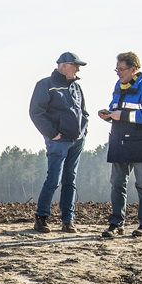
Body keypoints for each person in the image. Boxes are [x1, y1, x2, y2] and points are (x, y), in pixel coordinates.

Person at [98, 52, 142, 238]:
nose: (118, 73)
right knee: (117, 184)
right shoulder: (118, 86)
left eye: (121, 69)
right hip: (120, 142)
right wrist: (109, 115)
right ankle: (116, 224)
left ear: (133, 69)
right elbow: (116, 109)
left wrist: (122, 116)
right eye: (116, 69)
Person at [29, 52, 89, 234]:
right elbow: (36, 112)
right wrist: (52, 133)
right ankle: (41, 218)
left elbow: (84, 112)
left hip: (76, 141)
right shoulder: (46, 85)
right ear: (63, 65)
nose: (78, 69)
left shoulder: (76, 88)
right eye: (75, 65)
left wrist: (83, 131)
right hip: (58, 141)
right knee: (53, 179)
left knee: (70, 180)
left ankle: (67, 220)